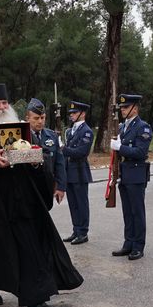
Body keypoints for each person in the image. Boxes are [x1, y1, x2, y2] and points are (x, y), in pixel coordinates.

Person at [0, 84, 83, 307]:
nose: (1, 107)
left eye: (4, 103)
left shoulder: (21, 130)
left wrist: (37, 161)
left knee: (30, 248)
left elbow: (40, 158)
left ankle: (35, 297)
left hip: (21, 202)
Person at [110, 93, 152, 261]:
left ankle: (138, 246)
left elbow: (140, 152)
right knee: (127, 211)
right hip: (124, 172)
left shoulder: (143, 127)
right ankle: (128, 243)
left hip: (136, 173)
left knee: (137, 212)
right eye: (121, 108)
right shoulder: (121, 127)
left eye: (126, 107)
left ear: (135, 108)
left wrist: (120, 147)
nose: (122, 110)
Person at [62, 101, 94, 244]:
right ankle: (76, 230)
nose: (71, 115)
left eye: (74, 113)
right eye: (70, 113)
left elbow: (82, 152)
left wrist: (64, 149)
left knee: (81, 203)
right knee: (73, 204)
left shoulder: (86, 131)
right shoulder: (71, 130)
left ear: (83, 114)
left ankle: (83, 232)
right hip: (70, 171)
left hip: (80, 171)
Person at [26, 97, 66, 208]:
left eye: (42, 118)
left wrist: (61, 187)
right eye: (36, 118)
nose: (40, 121)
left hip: (46, 186)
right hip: (28, 188)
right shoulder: (22, 138)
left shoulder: (52, 136)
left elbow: (59, 162)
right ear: (27, 118)